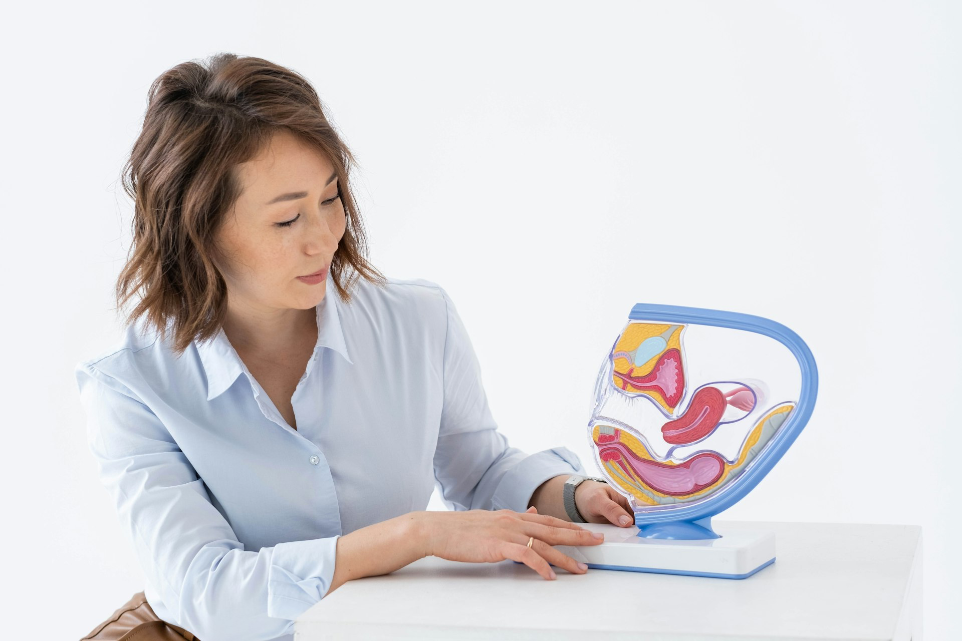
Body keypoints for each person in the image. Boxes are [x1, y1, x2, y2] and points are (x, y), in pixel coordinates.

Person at [75, 53, 635, 641]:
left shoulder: (419, 321)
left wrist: (571, 496)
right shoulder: (131, 387)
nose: (324, 238)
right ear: (197, 232)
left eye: (331, 197)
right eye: (287, 219)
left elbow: (482, 471)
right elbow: (205, 595)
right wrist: (411, 536)